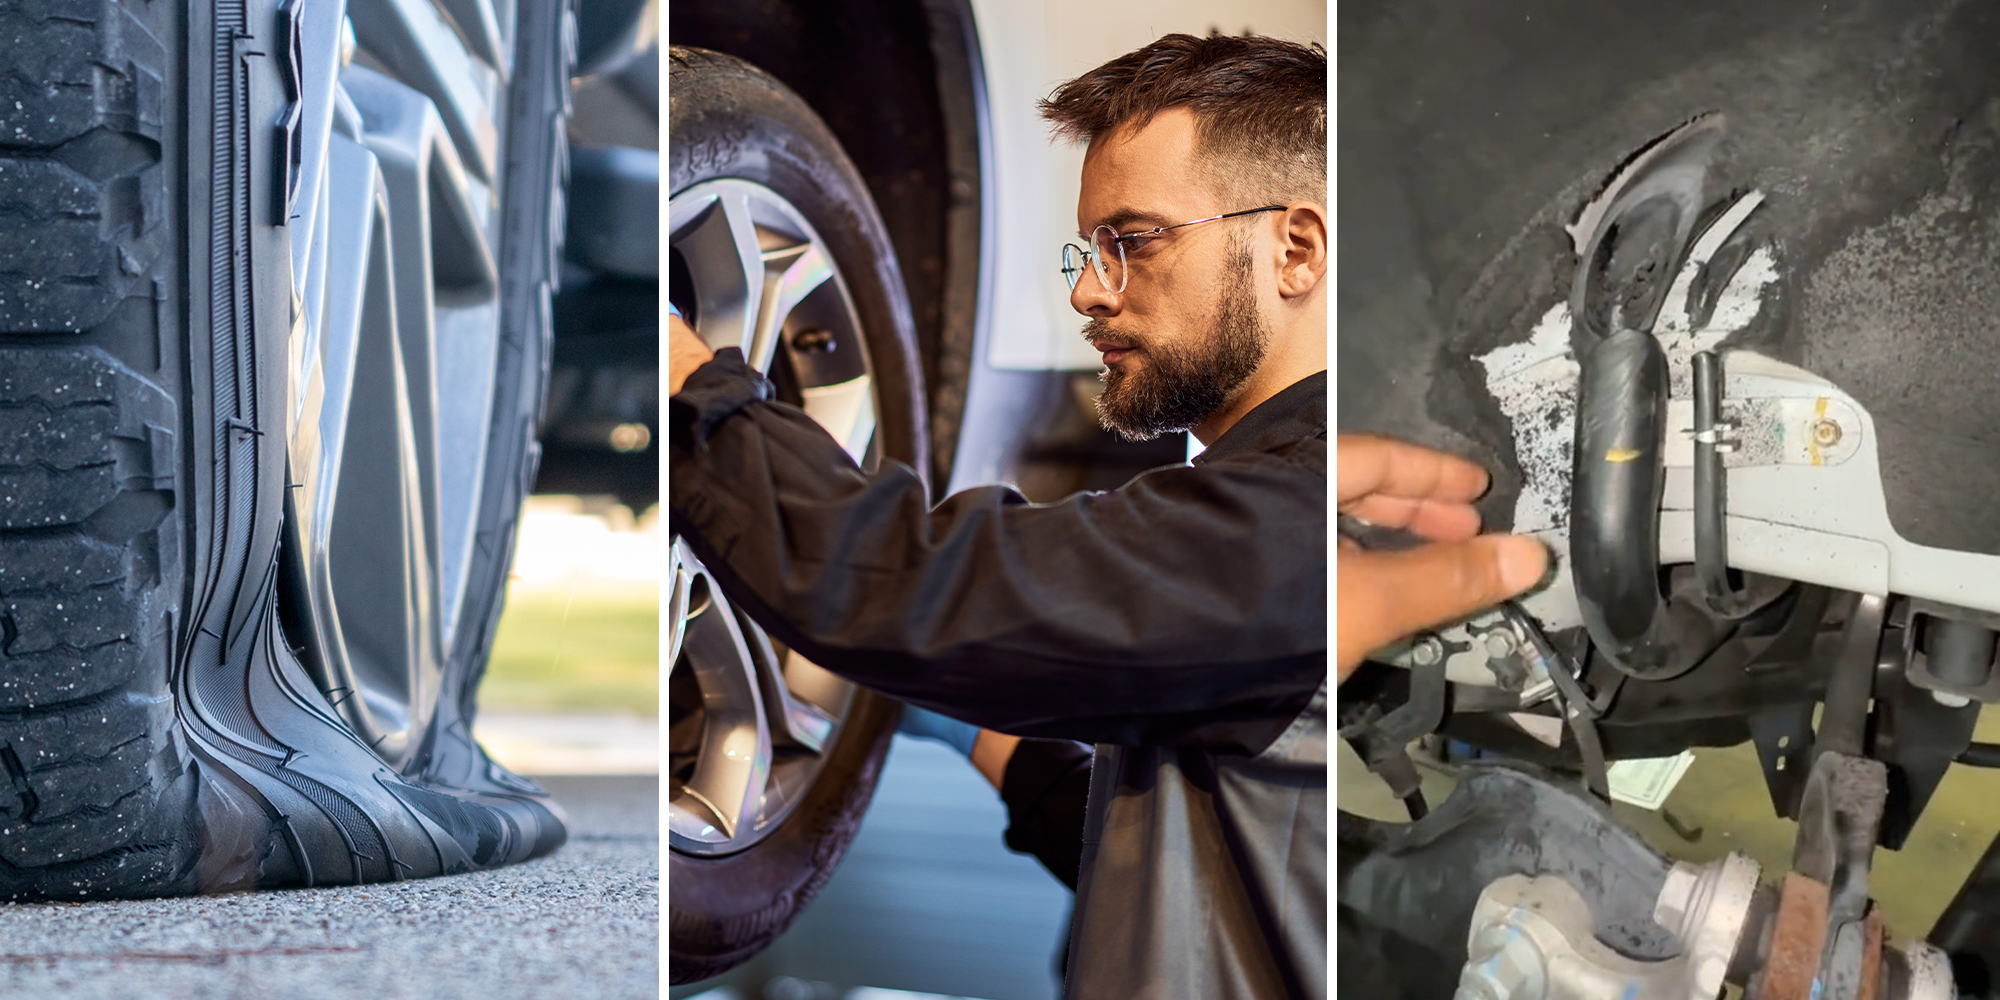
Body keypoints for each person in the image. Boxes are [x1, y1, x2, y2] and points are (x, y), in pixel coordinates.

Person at [668, 32, 1539, 998]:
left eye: (1134, 242)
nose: (1090, 290)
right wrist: (988, 740)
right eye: (1091, 251)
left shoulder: (1286, 520)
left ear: (1295, 248)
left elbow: (904, 583)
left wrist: (692, 391)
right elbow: (1222, 861)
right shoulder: (1306, 513)